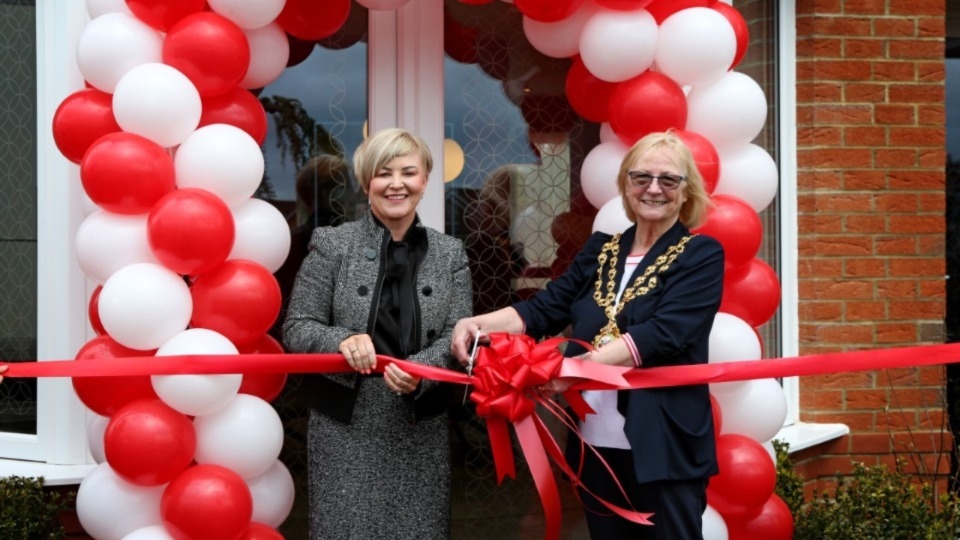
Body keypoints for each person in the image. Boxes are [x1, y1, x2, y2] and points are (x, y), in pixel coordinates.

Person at [451, 130, 723, 539]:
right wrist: (477, 323)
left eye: (669, 180)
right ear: (625, 185)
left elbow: (664, 334)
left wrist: (578, 368)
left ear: (687, 193)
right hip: (596, 442)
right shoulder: (600, 249)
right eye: (641, 177)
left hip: (665, 443)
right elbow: (546, 307)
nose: (653, 189)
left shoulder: (700, 255)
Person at [283, 128, 473, 540]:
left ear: (425, 181)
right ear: (368, 182)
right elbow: (297, 327)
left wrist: (420, 369)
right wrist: (340, 340)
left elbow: (460, 336)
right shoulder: (333, 244)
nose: (396, 184)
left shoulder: (451, 253)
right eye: (384, 173)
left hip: (419, 424)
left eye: (409, 172)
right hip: (345, 427)